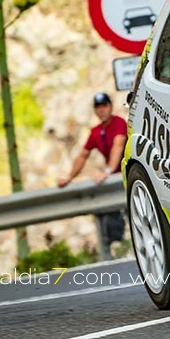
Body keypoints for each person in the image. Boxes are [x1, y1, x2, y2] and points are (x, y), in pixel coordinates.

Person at [58, 92, 127, 253]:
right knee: (111, 219)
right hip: (114, 179)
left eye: (105, 106)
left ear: (111, 107)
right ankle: (118, 251)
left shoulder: (119, 123)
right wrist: (69, 176)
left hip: (128, 174)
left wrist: (108, 170)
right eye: (98, 107)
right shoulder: (96, 131)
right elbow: (83, 155)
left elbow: (118, 146)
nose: (102, 110)